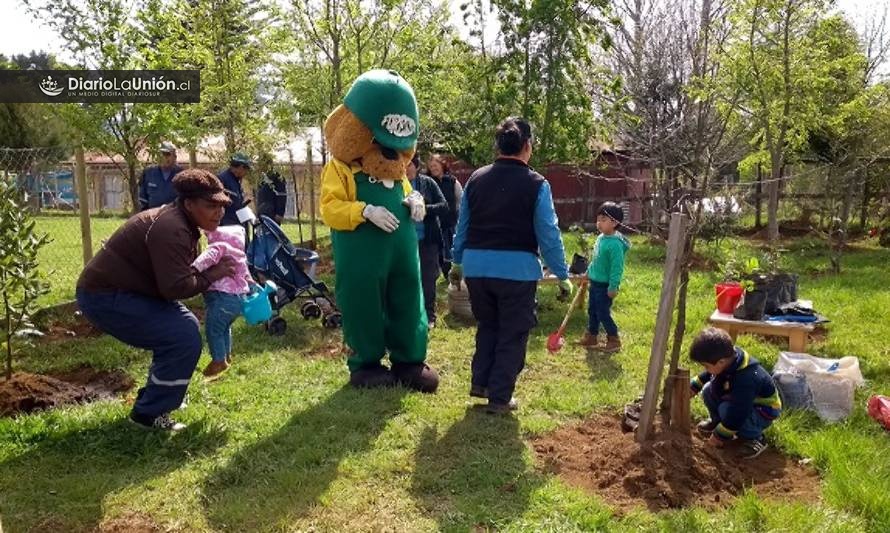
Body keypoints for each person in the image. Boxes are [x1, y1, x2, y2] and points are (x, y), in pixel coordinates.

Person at [76, 169, 236, 432]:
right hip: (104, 296)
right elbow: (175, 287)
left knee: (184, 326)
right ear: (188, 204)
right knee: (181, 335)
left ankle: (159, 394)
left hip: (129, 291)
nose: (218, 212)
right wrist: (212, 275)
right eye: (210, 206)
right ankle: (149, 414)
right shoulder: (172, 229)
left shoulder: (180, 221)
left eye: (221, 206)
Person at [450, 117, 572, 414]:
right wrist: (561, 273)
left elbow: (462, 225)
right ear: (527, 146)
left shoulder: (476, 178)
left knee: (488, 325)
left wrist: (457, 260)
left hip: (477, 269)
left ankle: (482, 383)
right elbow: (548, 233)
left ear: (498, 146)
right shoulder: (536, 183)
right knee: (513, 332)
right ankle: (500, 398)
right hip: (516, 271)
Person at [689, 327, 782, 459]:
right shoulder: (729, 359)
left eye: (706, 366)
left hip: (762, 410)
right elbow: (709, 374)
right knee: (708, 390)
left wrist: (718, 437)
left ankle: (756, 438)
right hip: (739, 400)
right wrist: (695, 385)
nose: (706, 369)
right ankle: (719, 423)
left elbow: (738, 412)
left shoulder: (747, 378)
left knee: (727, 410)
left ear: (721, 362)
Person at [191, 225, 253, 378]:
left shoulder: (220, 246)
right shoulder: (240, 255)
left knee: (213, 329)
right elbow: (248, 278)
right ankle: (226, 355)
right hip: (238, 301)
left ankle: (218, 361)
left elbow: (206, 259)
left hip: (222, 299)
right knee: (224, 328)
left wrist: (193, 269)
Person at [578, 202, 631, 353]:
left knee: (602, 312)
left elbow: (617, 268)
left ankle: (614, 339)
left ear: (614, 223)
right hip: (595, 282)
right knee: (592, 310)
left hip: (605, 286)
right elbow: (596, 260)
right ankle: (591, 337)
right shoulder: (601, 238)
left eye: (603, 219)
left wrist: (613, 286)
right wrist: (588, 273)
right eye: (598, 219)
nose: (598, 223)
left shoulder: (615, 245)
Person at [408, 153, 449, 328]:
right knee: (406, 279)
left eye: (409, 165)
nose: (405, 168)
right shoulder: (394, 184)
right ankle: (409, 314)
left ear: (416, 166)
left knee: (428, 278)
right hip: (404, 241)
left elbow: (444, 206)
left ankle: (430, 315)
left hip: (427, 239)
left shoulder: (427, 183)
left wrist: (425, 208)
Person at [427, 154, 462, 278]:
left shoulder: (452, 181)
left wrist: (455, 215)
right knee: (438, 252)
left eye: (435, 165)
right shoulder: (429, 183)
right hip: (435, 224)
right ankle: (439, 273)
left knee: (451, 250)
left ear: (442, 165)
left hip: (450, 223)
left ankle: (452, 275)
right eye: (431, 167)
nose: (433, 169)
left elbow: (459, 200)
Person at [137, 141, 184, 211]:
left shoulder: (182, 175)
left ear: (174, 157)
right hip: (152, 215)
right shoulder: (148, 172)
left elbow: (185, 200)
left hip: (175, 216)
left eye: (167, 154)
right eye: (160, 154)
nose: (163, 157)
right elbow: (142, 200)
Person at [218, 152, 252, 226]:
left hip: (236, 223)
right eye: (246, 169)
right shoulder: (223, 179)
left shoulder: (235, 180)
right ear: (241, 167)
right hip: (227, 226)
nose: (246, 173)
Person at [255, 152, 288, 224]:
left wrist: (280, 213)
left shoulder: (277, 177)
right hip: (262, 213)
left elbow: (282, 195)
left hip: (272, 213)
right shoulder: (261, 178)